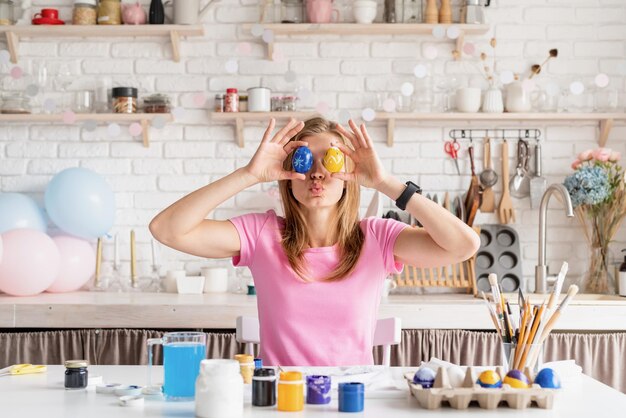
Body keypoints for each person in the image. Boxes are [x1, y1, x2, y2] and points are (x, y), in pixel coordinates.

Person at [149, 117, 480, 366]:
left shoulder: (377, 237)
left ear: (349, 176)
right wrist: (249, 174)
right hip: (282, 401)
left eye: (331, 160)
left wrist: (385, 182)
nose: (317, 172)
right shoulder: (262, 234)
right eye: (305, 160)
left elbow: (464, 246)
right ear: (288, 174)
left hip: (353, 400)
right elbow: (167, 229)